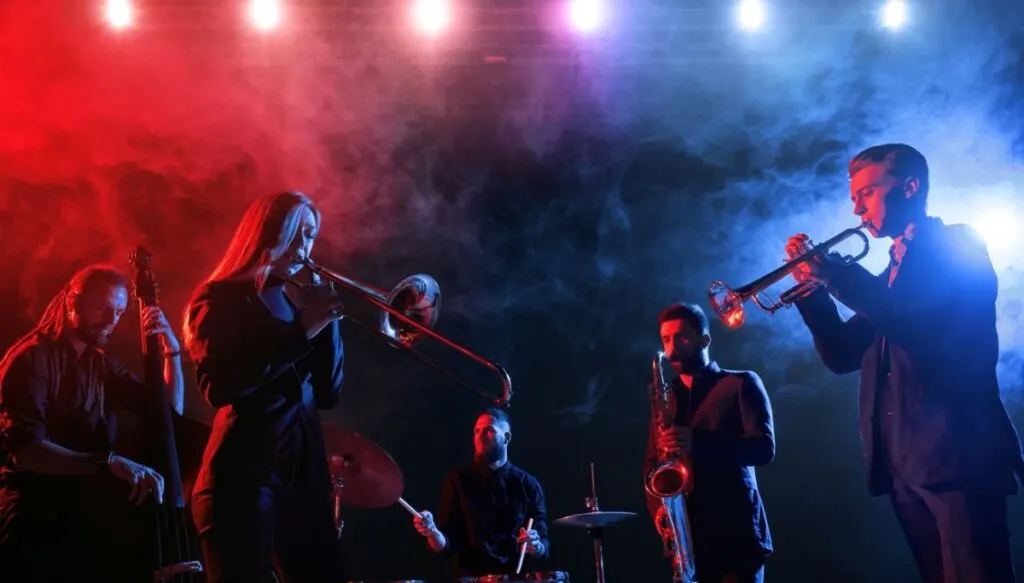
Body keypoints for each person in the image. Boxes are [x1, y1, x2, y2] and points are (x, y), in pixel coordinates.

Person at [786, 143, 1024, 583]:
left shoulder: (957, 244)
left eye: (868, 192)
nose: (856, 208)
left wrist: (835, 275)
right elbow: (842, 355)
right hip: (903, 463)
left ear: (910, 187)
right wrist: (815, 293)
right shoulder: (890, 272)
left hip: (957, 453)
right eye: (855, 196)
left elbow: (913, 322)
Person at [182, 191, 348, 583]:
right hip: (241, 481)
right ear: (270, 232)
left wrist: (328, 322)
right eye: (297, 232)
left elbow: (328, 393)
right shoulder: (219, 298)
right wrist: (304, 329)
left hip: (302, 482)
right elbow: (220, 386)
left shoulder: (292, 303)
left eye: (311, 235)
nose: (305, 245)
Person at [0, 264, 185, 582]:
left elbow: (167, 415)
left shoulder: (101, 363)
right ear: (73, 302)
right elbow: (27, 452)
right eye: (102, 308)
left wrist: (173, 353)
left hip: (87, 514)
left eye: (118, 312)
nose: (111, 321)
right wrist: (107, 462)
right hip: (35, 518)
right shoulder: (31, 359)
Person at [645, 302, 774, 583]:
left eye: (682, 337)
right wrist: (661, 515)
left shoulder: (741, 383)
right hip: (689, 539)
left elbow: (764, 449)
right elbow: (653, 465)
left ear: (705, 340)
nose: (671, 348)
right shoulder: (667, 398)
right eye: (666, 339)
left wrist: (699, 442)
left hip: (736, 534)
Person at [412, 408, 549, 579]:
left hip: (516, 578)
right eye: (477, 431)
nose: (480, 436)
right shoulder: (457, 480)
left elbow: (543, 546)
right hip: (470, 577)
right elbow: (444, 546)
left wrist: (536, 546)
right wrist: (431, 531)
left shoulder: (529, 485)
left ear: (507, 438)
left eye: (489, 430)